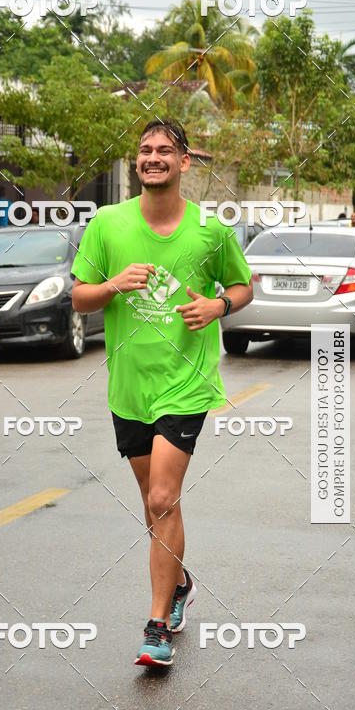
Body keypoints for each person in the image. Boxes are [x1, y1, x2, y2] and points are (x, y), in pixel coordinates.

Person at [71, 119, 253, 668]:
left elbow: (243, 286)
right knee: (153, 504)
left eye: (165, 151)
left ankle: (156, 628)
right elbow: (79, 298)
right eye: (146, 151)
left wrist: (217, 306)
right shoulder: (107, 223)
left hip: (186, 383)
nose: (154, 158)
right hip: (128, 388)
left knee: (160, 498)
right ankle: (177, 583)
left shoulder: (208, 230)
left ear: (184, 162)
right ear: (136, 162)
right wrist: (111, 286)